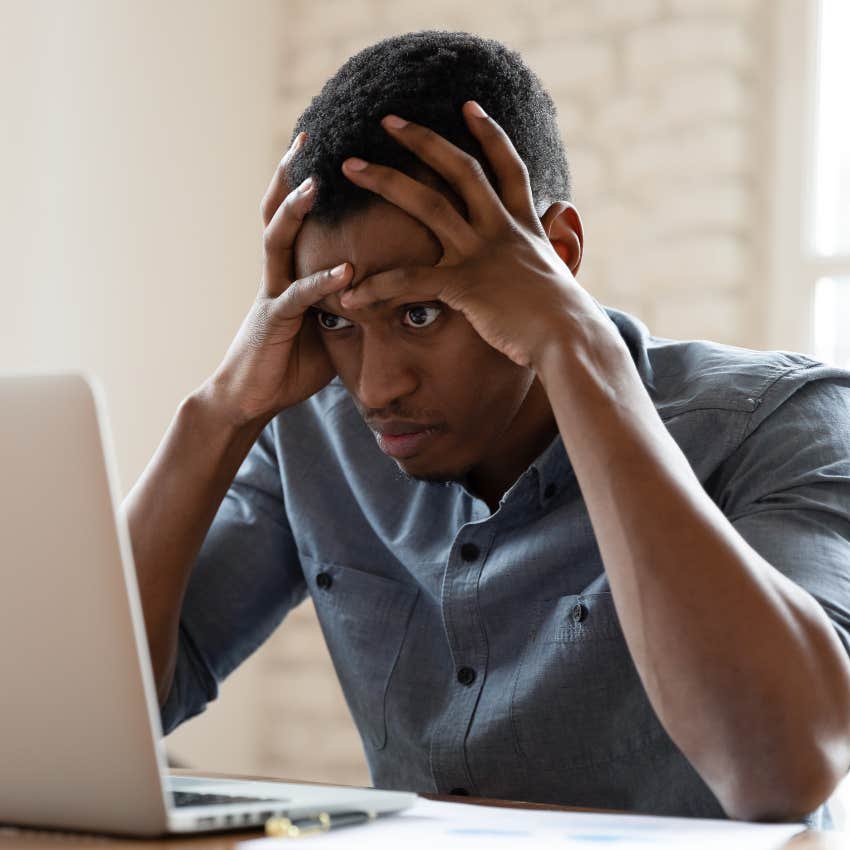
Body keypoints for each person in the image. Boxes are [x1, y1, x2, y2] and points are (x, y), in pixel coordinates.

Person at [124, 31, 850, 826]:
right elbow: (90, 712)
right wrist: (220, 410)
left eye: (421, 311)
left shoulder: (781, 423)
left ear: (558, 256)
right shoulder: (313, 431)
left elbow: (782, 772)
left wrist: (575, 348)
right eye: (335, 319)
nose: (376, 385)